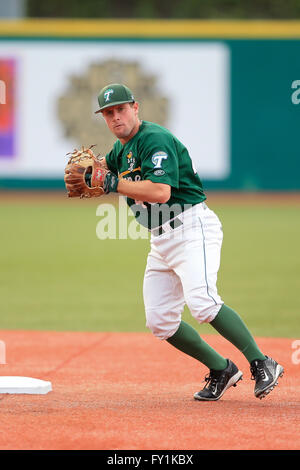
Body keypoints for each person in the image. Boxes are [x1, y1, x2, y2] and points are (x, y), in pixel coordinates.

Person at [95, 83, 284, 401]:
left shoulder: (154, 139)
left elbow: (160, 192)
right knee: (159, 321)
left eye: (121, 109)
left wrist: (113, 184)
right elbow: (104, 170)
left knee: (203, 302)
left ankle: (262, 361)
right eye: (109, 112)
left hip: (191, 227)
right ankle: (222, 369)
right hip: (161, 240)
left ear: (136, 107)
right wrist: (92, 175)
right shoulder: (121, 150)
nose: (116, 117)